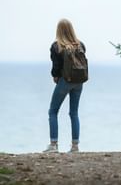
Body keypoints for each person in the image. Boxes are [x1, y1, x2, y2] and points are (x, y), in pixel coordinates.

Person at [44, 19, 86, 153]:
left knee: (53, 111)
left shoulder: (57, 46)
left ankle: (54, 145)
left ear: (59, 30)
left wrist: (55, 76)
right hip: (79, 82)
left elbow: (56, 66)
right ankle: (75, 146)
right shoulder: (81, 45)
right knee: (74, 113)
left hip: (65, 81)